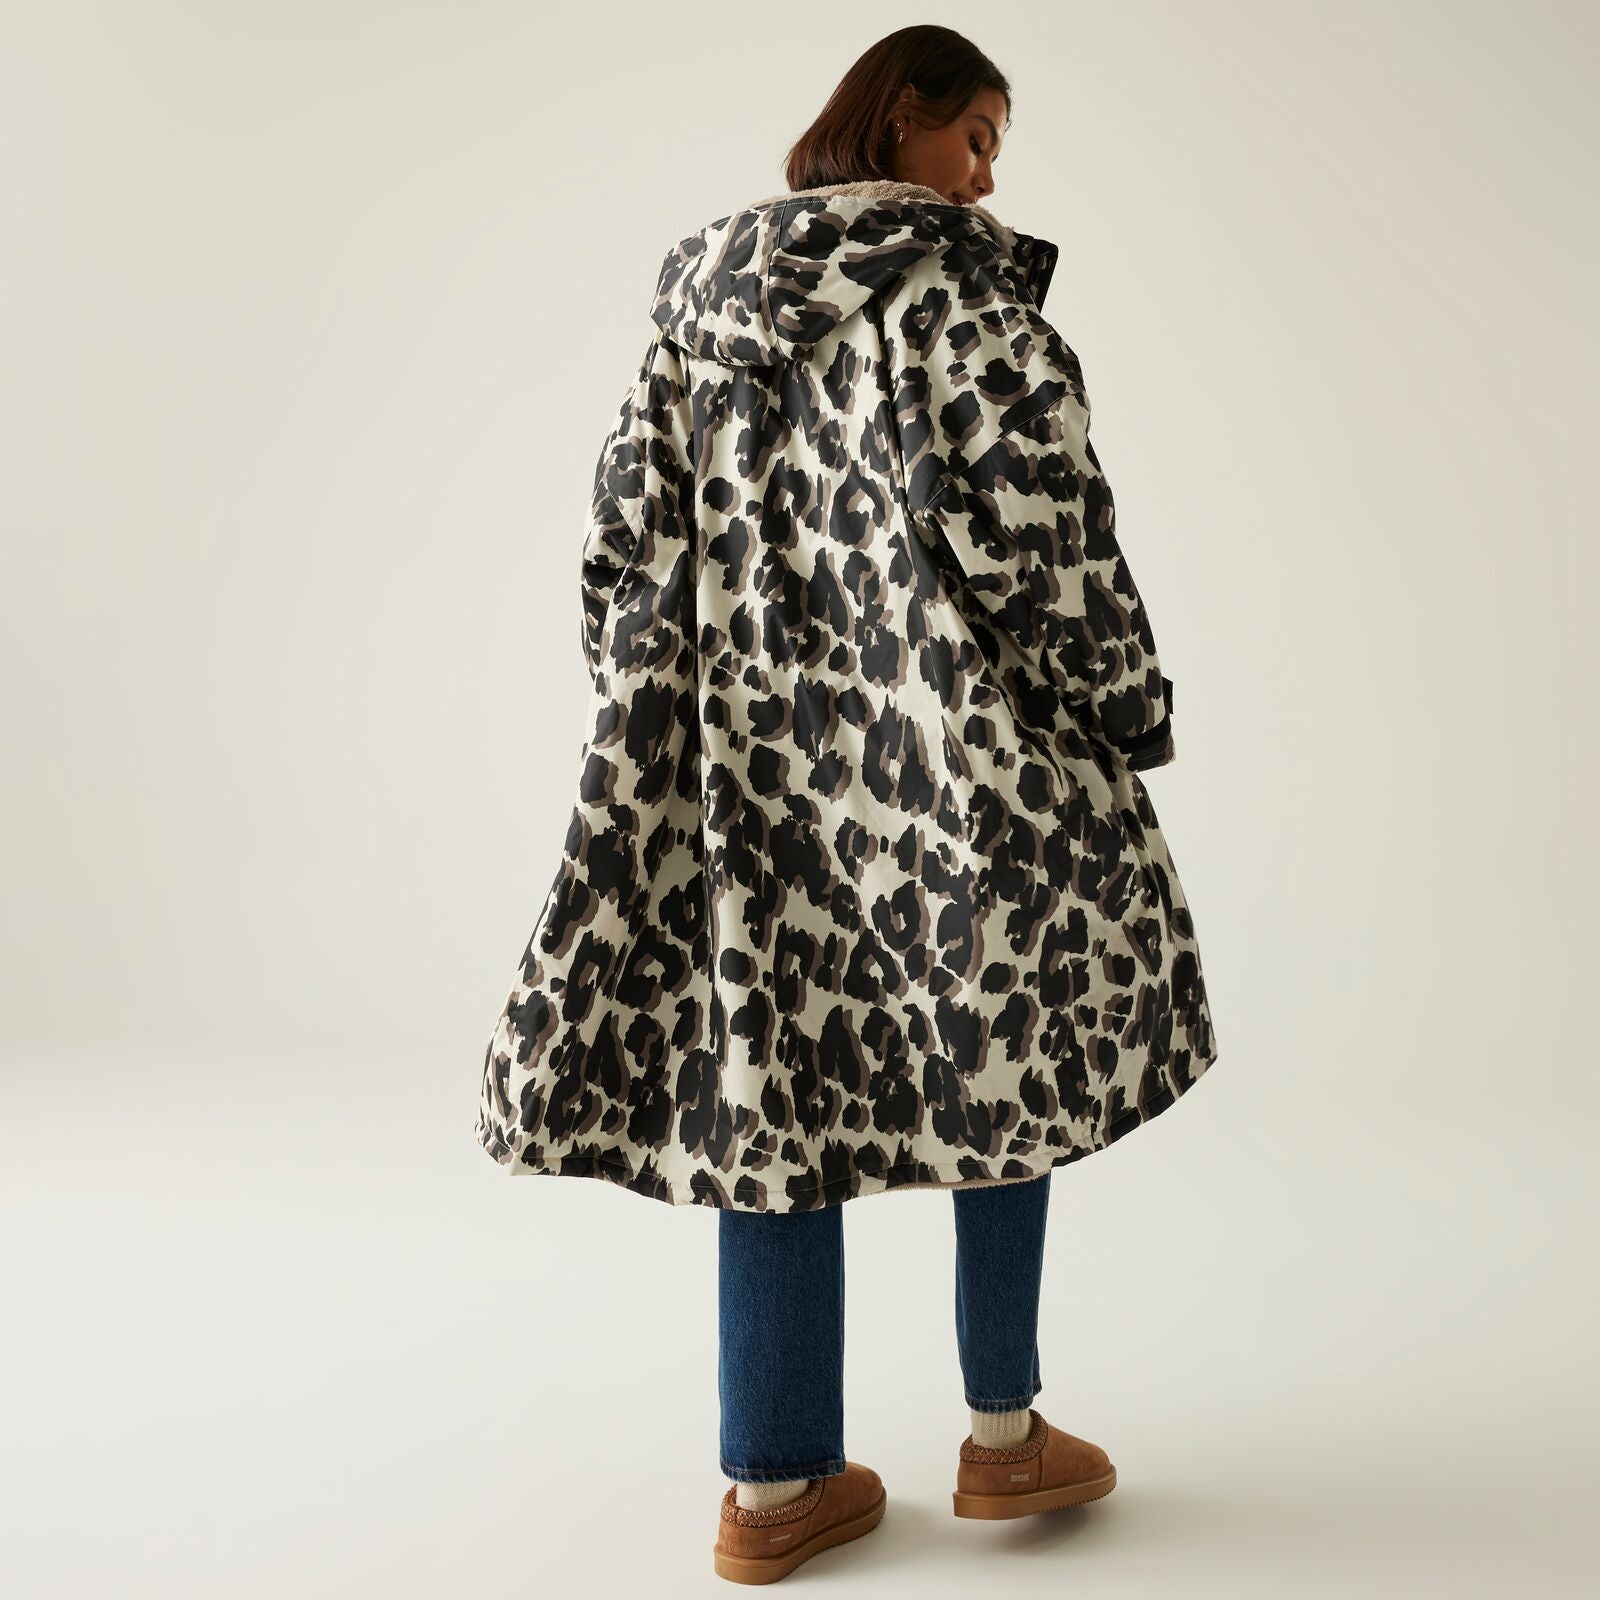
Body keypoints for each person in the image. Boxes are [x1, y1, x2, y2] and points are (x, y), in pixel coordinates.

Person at [476, 23, 1220, 1585]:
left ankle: (772, 1495)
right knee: (1003, 1058)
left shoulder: (695, 317)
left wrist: (654, 713)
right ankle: (1005, 1440)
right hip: (957, 771)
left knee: (768, 1096)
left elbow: (621, 549)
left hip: (747, 782)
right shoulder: (957, 298)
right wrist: (1124, 701)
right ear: (899, 121)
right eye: (978, 134)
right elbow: (1046, 536)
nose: (988, 174)